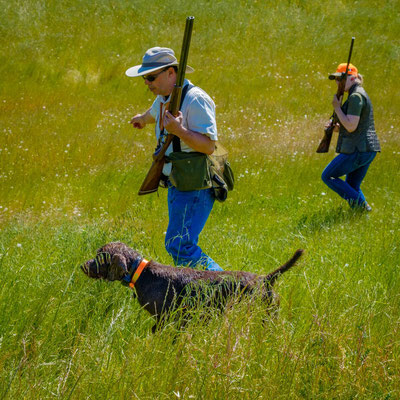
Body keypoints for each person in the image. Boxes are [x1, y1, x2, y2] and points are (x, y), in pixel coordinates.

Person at [126, 47, 223, 271]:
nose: (147, 83)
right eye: (144, 78)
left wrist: (180, 131)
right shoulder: (164, 97)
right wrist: (142, 118)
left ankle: (225, 287)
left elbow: (209, 146)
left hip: (194, 182)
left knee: (180, 245)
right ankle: (200, 295)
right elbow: (154, 112)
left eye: (151, 77)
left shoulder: (196, 99)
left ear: (171, 73)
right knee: (177, 244)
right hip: (177, 180)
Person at [321, 63, 381, 211]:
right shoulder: (358, 94)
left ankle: (363, 207)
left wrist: (337, 107)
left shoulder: (355, 96)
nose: (337, 82)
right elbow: (353, 126)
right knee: (352, 186)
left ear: (353, 78)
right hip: (367, 148)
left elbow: (351, 126)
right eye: (336, 79)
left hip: (358, 149)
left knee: (327, 176)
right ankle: (362, 216)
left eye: (341, 78)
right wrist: (335, 129)